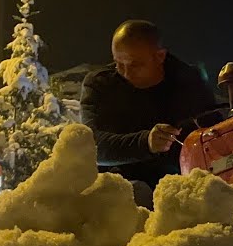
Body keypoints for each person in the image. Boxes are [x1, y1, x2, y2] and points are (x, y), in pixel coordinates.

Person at [81, 20, 218, 206]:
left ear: (160, 56)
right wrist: (145, 143)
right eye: (118, 64)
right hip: (119, 190)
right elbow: (91, 146)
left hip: (180, 190)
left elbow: (214, 139)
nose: (125, 73)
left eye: (135, 65)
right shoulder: (100, 86)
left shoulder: (188, 85)